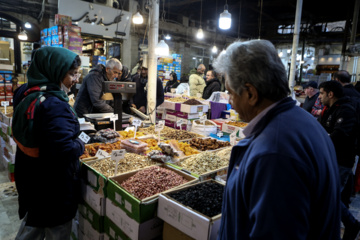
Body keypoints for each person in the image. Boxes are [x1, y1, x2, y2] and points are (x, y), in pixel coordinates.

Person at [213, 40, 340, 239]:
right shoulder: (304, 121)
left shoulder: (274, 154)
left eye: (230, 92)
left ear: (251, 93)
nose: (230, 101)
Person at [12, 47, 85, 239]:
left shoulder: (26, 92)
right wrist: (81, 144)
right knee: (56, 229)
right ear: (55, 71)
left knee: (33, 223)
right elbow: (65, 150)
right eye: (71, 74)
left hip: (30, 175)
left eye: (76, 74)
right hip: (53, 186)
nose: (75, 80)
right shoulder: (54, 105)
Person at [318, 80, 360, 240]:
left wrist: (319, 137)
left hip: (341, 161)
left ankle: (349, 225)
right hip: (329, 158)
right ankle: (350, 224)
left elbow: (338, 136)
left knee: (330, 197)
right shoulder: (329, 109)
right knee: (329, 195)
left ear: (330, 94)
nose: (319, 97)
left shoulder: (346, 110)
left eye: (321, 93)